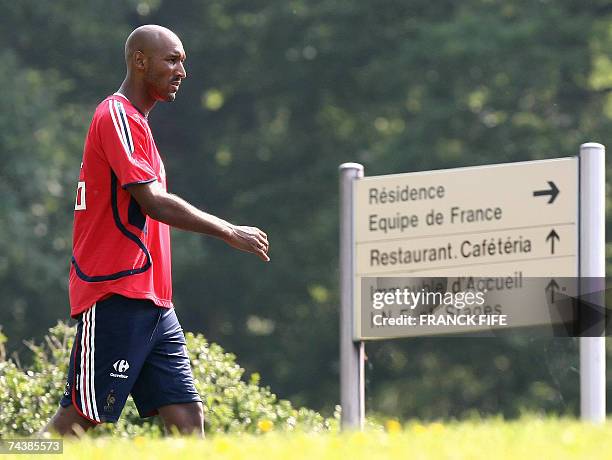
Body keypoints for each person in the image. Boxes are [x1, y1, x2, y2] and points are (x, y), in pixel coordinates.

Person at [43, 24, 270, 437]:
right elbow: (153, 201)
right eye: (172, 59)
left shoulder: (139, 125)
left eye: (182, 61)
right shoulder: (116, 115)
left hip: (153, 302)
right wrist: (228, 230)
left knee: (187, 417)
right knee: (74, 422)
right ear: (139, 61)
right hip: (116, 295)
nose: (181, 70)